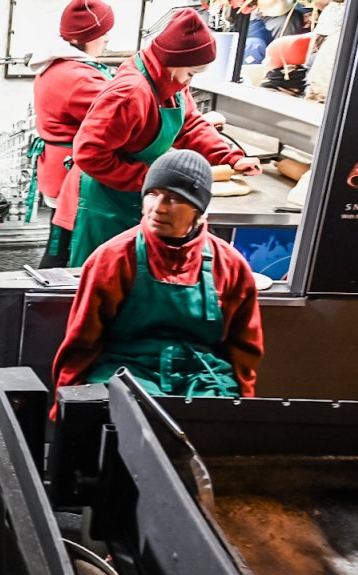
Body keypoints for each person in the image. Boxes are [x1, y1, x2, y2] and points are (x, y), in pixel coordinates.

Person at [53, 8, 260, 268]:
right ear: (174, 63)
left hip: (134, 195)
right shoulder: (131, 94)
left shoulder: (169, 82)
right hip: (105, 201)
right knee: (102, 272)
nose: (189, 83)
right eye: (191, 74)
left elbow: (190, 123)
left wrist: (230, 157)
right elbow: (89, 153)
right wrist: (147, 180)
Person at [52, 150, 263, 402]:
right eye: (152, 194)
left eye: (174, 199)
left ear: (198, 210)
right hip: (125, 373)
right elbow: (81, 343)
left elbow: (244, 350)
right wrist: (64, 407)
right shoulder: (113, 258)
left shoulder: (230, 265)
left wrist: (245, 408)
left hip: (202, 377)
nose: (158, 208)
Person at [29, 0, 116, 268]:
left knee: (60, 239)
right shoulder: (78, 76)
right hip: (71, 173)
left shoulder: (58, 66)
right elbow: (120, 116)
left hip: (58, 167)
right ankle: (48, 302)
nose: (107, 40)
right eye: (104, 35)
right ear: (92, 37)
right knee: (63, 245)